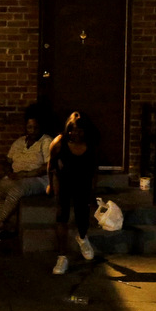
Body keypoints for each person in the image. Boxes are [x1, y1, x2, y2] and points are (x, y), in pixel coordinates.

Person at [0, 106, 52, 237]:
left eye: (35, 128)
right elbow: (8, 160)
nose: (32, 131)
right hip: (17, 176)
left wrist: (26, 174)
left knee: (16, 190)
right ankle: (4, 223)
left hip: (37, 178)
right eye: (29, 127)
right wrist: (8, 172)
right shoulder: (19, 142)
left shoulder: (46, 141)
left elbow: (47, 166)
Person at [48, 111, 99, 274]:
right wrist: (51, 184)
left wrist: (93, 191)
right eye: (72, 130)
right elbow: (51, 165)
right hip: (64, 182)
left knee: (82, 216)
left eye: (79, 130)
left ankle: (82, 237)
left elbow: (94, 171)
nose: (74, 134)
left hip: (82, 183)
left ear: (85, 131)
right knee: (62, 217)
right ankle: (62, 257)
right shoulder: (59, 143)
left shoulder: (90, 146)